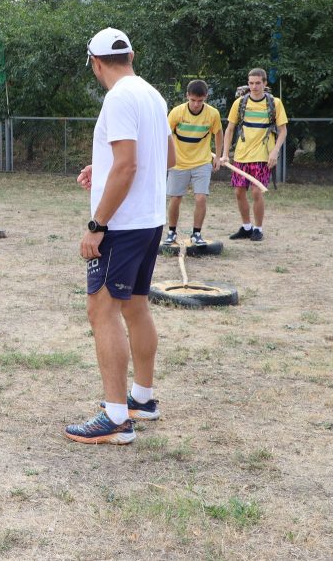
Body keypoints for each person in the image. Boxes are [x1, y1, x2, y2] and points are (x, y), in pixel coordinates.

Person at [69, 28, 174, 446]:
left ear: (95, 63)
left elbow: (128, 165)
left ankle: (115, 418)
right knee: (135, 307)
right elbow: (165, 156)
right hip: (150, 221)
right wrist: (103, 167)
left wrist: (97, 225)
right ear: (131, 54)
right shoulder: (153, 94)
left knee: (102, 310)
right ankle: (142, 400)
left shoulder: (116, 98)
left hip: (123, 227)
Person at [220, 68, 289, 242]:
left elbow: (283, 131)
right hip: (241, 155)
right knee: (238, 192)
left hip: (262, 155)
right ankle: (246, 227)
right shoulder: (240, 103)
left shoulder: (275, 103)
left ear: (265, 83)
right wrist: (225, 153)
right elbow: (229, 129)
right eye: (251, 83)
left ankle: (258, 229)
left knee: (257, 192)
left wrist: (275, 151)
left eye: (258, 83)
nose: (254, 86)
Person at [163, 80, 223, 247]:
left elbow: (218, 133)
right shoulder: (177, 112)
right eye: (193, 100)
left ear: (205, 98)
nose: (196, 104)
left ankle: (196, 233)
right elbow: (165, 135)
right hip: (179, 162)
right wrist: (166, 158)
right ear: (187, 96)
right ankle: (171, 232)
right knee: (175, 198)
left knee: (201, 198)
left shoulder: (212, 114)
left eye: (200, 101)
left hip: (202, 162)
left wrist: (217, 157)